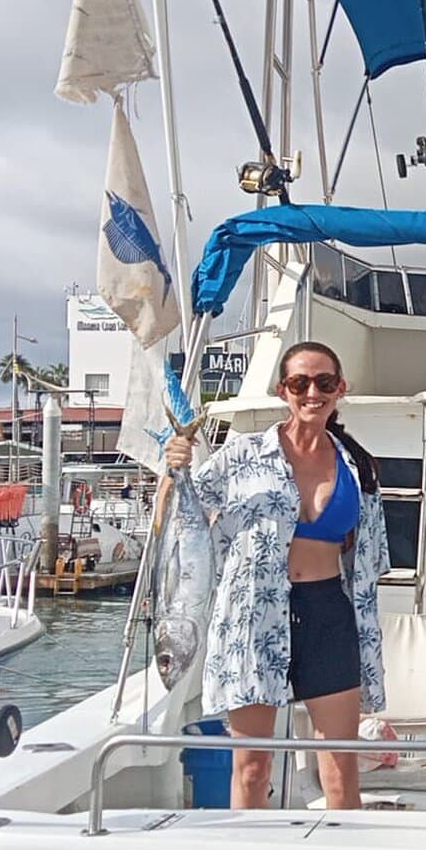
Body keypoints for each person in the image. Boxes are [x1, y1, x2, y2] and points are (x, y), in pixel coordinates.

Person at [164, 341, 390, 810]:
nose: (312, 393)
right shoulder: (242, 454)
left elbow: (369, 558)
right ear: (281, 390)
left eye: (324, 383)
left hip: (328, 611)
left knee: (341, 766)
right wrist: (173, 469)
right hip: (253, 617)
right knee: (251, 768)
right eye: (299, 383)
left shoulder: (359, 465)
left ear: (340, 389)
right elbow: (176, 518)